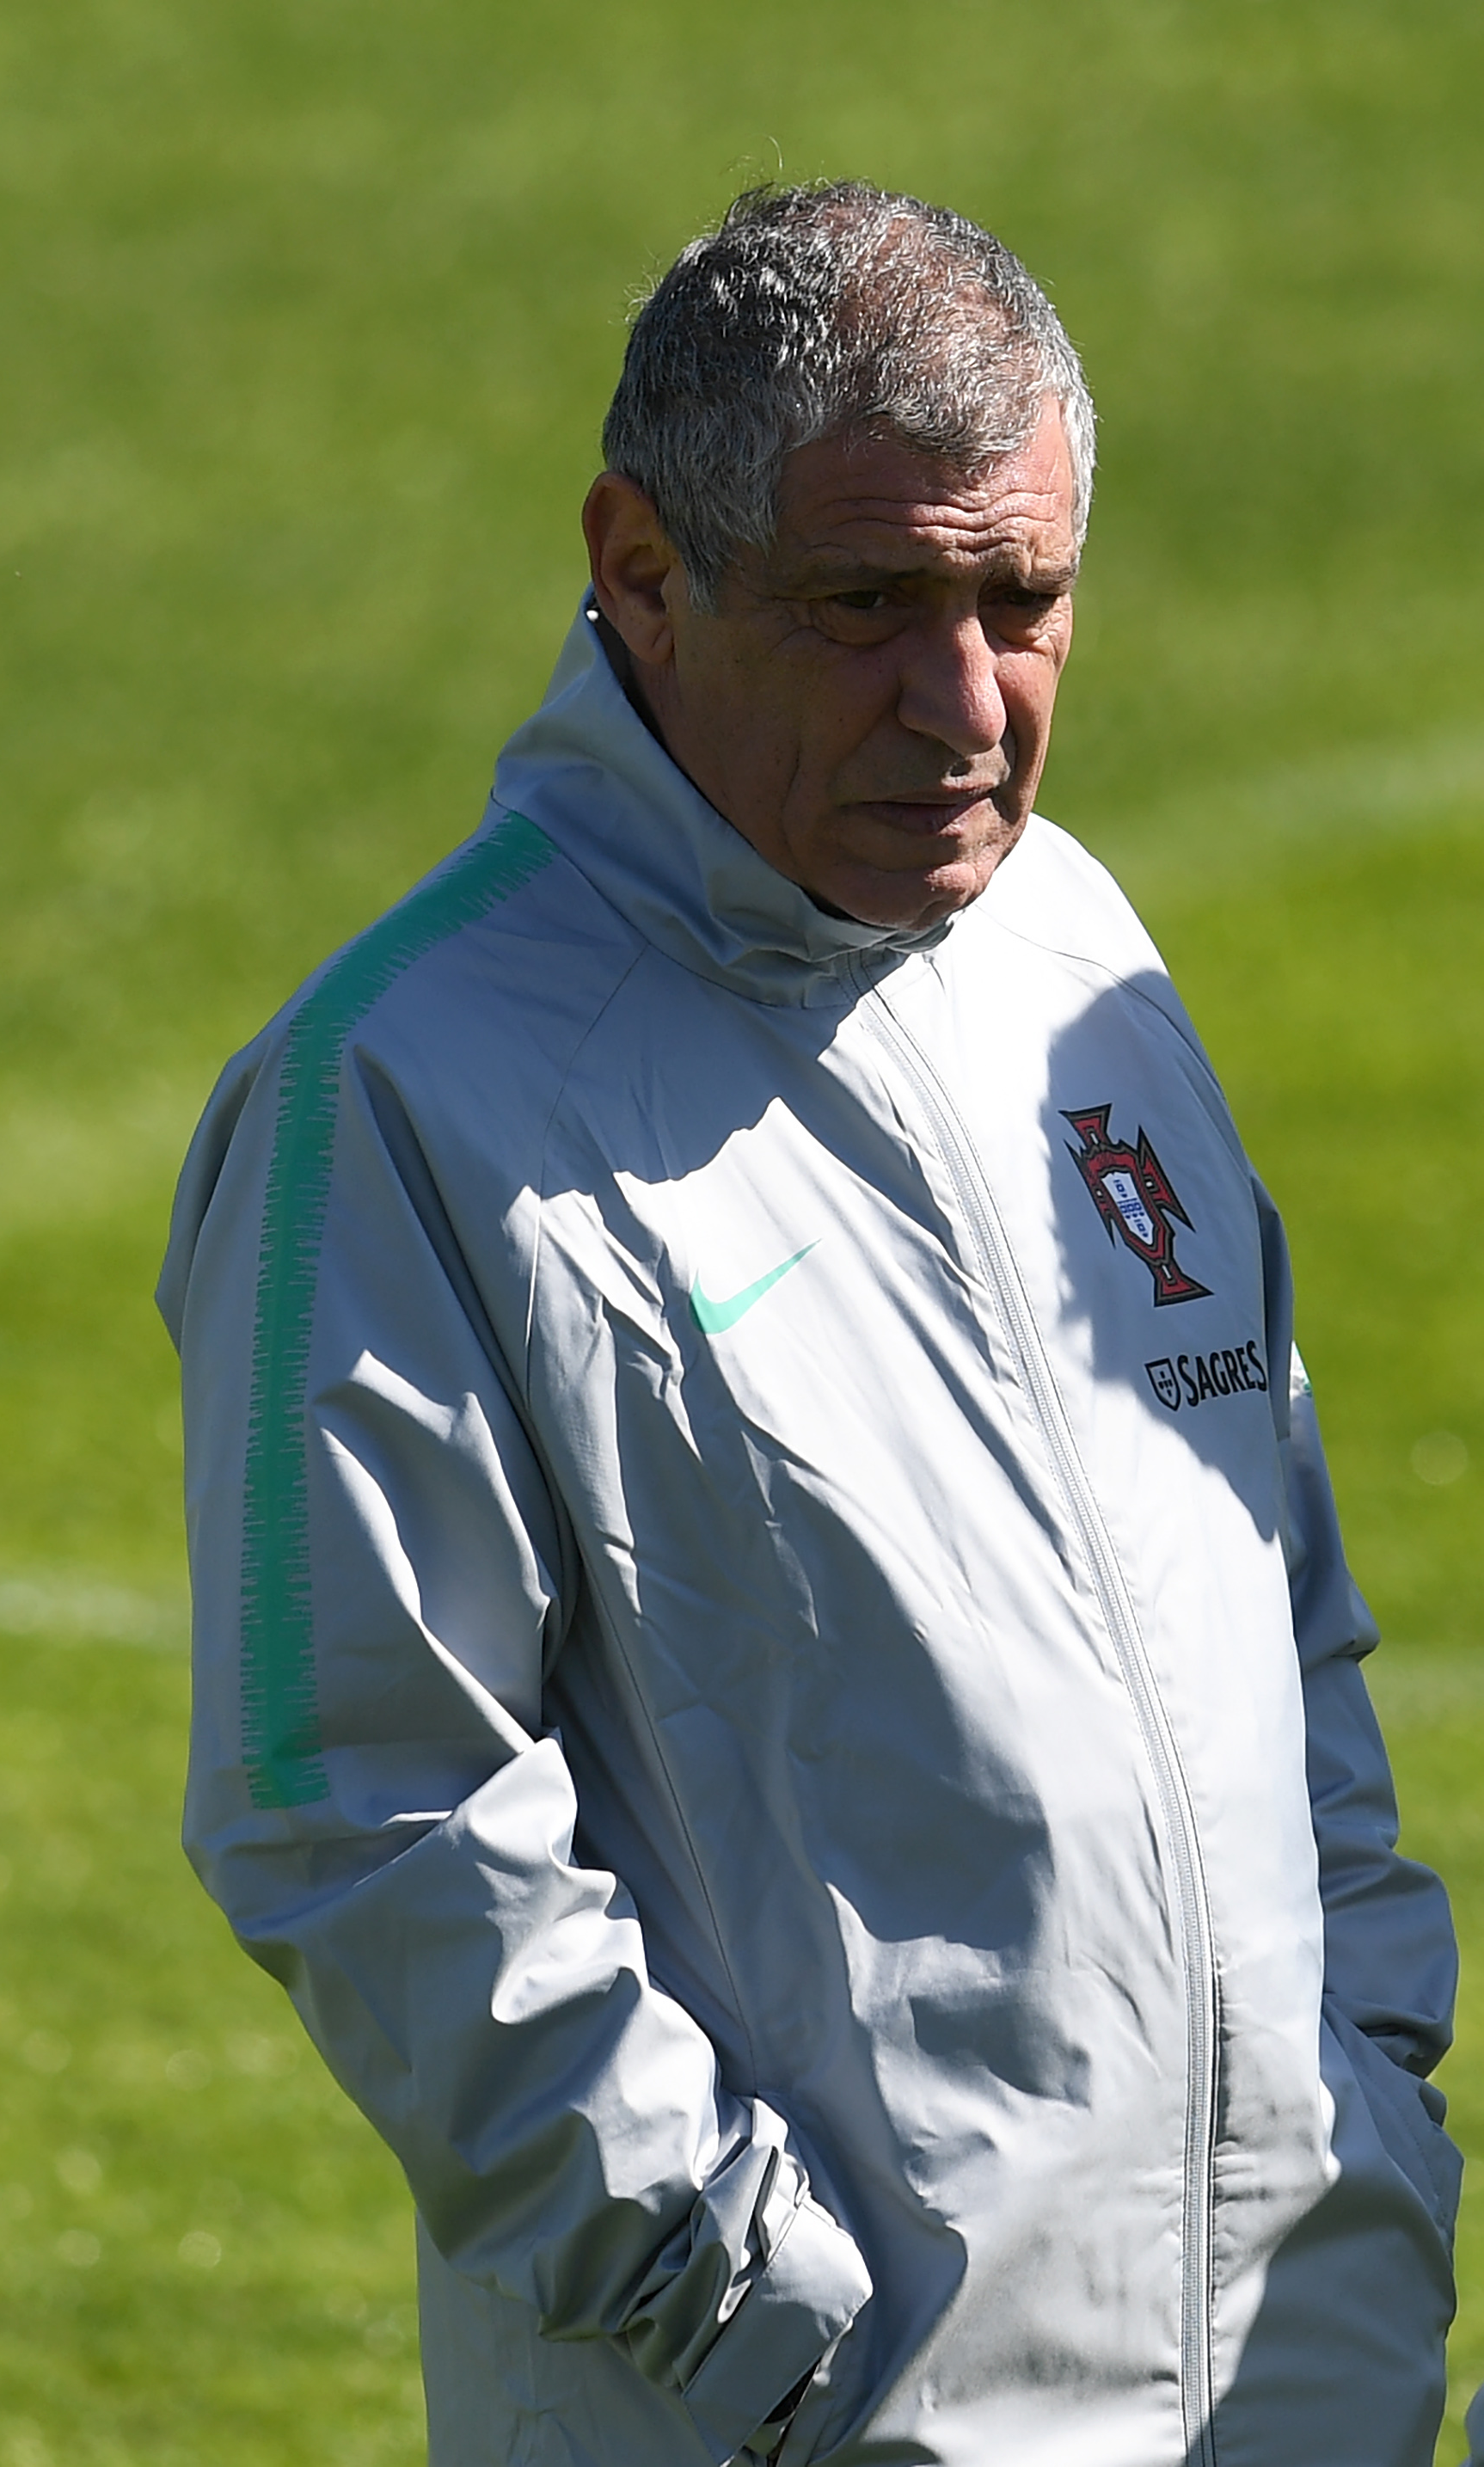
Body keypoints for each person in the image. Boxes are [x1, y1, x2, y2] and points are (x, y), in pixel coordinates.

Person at [161, 181, 1458, 2464]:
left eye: (1019, 604)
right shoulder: (408, 1092)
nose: (962, 708)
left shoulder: (1076, 960)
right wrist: (747, 2319)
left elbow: (1281, 1605)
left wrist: (1374, 2101)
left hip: (1294, 2379)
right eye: (866, 606)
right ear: (641, 570)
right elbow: (357, 1802)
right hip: (833, 2411)